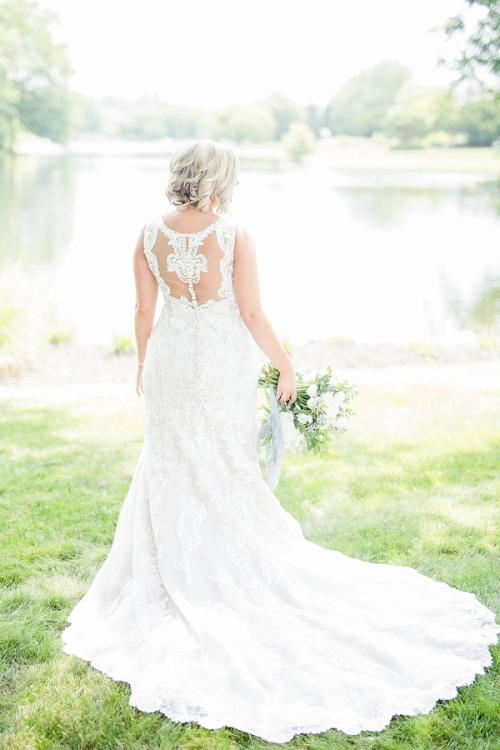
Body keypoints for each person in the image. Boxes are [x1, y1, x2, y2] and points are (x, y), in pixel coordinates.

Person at [61, 139, 499, 744]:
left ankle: (172, 574)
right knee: (223, 465)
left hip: (168, 363)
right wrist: (285, 366)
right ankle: (216, 565)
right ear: (220, 178)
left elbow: (143, 308)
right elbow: (251, 313)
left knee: (170, 461)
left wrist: (140, 363)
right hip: (217, 366)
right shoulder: (233, 234)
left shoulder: (145, 234)